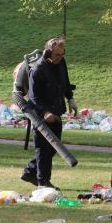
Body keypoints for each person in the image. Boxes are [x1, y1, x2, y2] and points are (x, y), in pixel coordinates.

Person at [20, 37, 78, 188]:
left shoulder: (61, 62)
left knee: (53, 147)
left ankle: (30, 171)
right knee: (42, 147)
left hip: (56, 111)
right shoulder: (37, 69)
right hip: (40, 115)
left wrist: (70, 98)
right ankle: (43, 182)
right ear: (47, 52)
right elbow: (34, 97)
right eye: (57, 55)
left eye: (62, 54)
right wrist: (45, 112)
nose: (60, 58)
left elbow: (65, 80)